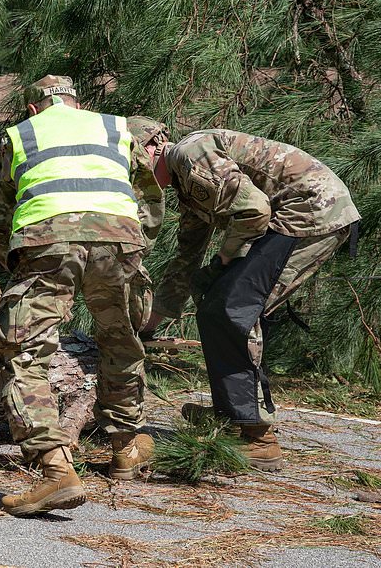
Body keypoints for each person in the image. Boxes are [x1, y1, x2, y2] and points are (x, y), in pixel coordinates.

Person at [132, 121, 360, 472]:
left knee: (233, 307)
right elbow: (185, 261)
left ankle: (256, 435)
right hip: (293, 215)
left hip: (309, 211)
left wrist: (226, 257)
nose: (135, 180)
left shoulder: (189, 153)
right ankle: (233, 411)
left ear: (150, 148)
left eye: (133, 166)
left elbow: (253, 210)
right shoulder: (187, 185)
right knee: (213, 300)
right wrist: (149, 325)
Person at [0, 75, 163, 517]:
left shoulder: (20, 135)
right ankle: (126, 448)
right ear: (77, 103)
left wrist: (13, 264)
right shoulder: (116, 127)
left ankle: (54, 472)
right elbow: (149, 199)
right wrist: (135, 246)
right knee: (121, 340)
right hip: (119, 239)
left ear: (32, 108)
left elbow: (1, 212)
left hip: (48, 240)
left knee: (24, 353)